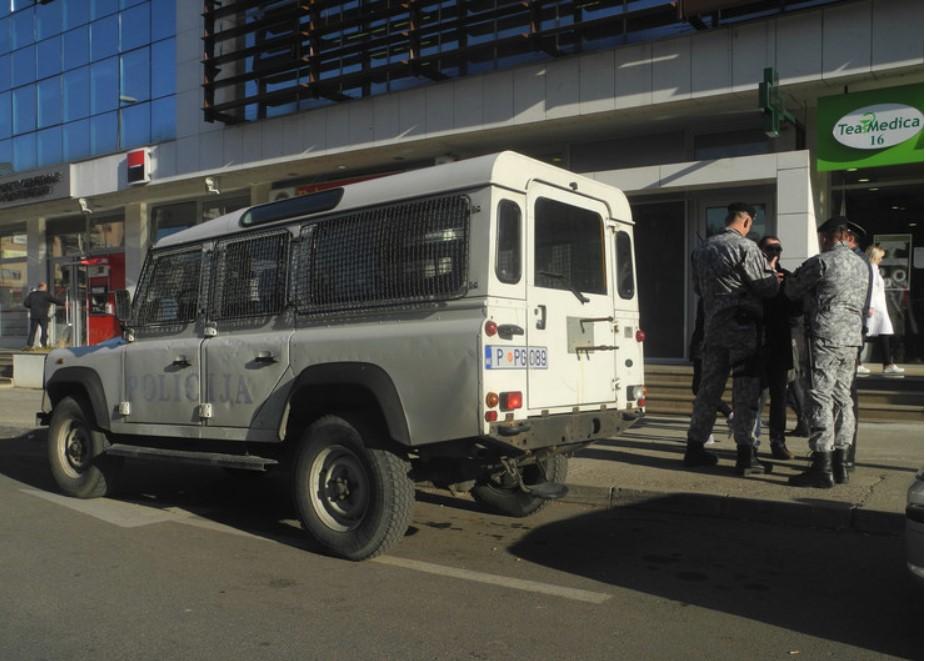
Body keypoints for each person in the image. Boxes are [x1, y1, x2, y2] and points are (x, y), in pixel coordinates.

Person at [682, 203, 780, 475]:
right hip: (742, 329)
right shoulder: (746, 247)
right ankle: (746, 456)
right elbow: (767, 287)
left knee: (708, 390)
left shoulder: (701, 250)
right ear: (747, 222)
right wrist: (773, 274)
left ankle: (694, 448)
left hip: (713, 329)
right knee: (745, 392)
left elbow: (697, 288)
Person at [784, 217, 870, 488]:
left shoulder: (822, 262)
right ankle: (841, 463)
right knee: (844, 399)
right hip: (851, 337)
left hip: (826, 336)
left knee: (820, 396)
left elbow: (791, 290)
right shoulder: (862, 265)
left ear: (827, 237)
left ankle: (821, 465)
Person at [756, 235, 799, 460]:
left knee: (779, 398)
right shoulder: (753, 276)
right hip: (756, 344)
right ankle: (750, 442)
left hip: (779, 344)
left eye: (777, 249)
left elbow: (796, 311)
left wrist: (783, 288)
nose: (774, 253)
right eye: (769, 249)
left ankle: (778, 441)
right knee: (755, 398)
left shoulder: (788, 277)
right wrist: (767, 281)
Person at [689, 297, 734, 445]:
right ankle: (726, 416)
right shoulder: (706, 297)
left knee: (703, 391)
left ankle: (709, 430)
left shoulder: (713, 296)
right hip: (703, 347)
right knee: (700, 390)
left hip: (708, 348)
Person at [865, 245, 905, 376]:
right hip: (875, 308)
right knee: (866, 335)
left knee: (883, 333)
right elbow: (870, 289)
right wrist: (869, 306)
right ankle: (858, 362)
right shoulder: (870, 269)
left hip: (879, 307)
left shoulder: (874, 269)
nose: (881, 260)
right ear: (874, 257)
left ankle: (887, 363)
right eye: (880, 257)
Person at [23, 282, 65, 350]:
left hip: (34, 315)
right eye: (45, 286)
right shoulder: (46, 295)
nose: (46, 288)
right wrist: (63, 303)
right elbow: (55, 300)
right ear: (42, 287)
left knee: (33, 331)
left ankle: (29, 345)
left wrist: (33, 306)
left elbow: (26, 303)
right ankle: (44, 344)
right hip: (43, 315)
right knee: (44, 330)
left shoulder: (32, 294)